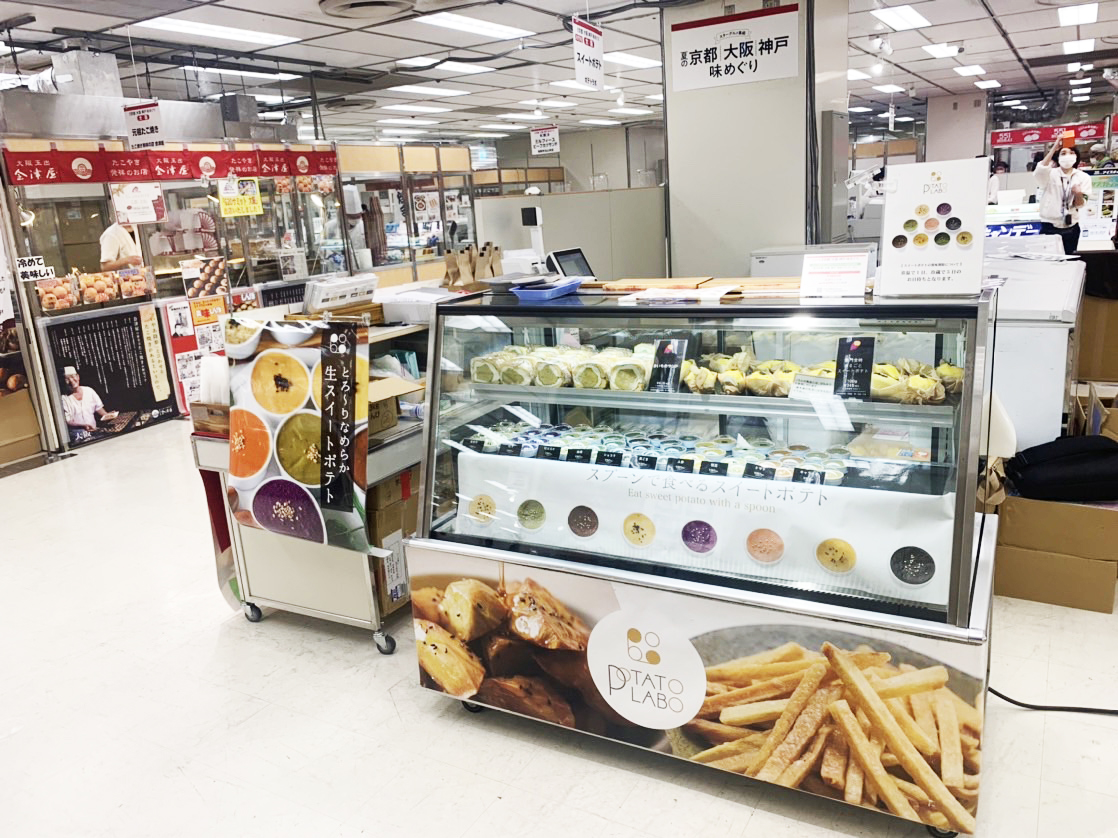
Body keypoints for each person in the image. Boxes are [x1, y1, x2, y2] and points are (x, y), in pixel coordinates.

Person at [1033, 140, 1092, 255]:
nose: (1067, 156)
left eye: (1071, 153)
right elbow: (1040, 170)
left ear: (1076, 157)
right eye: (1063, 153)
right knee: (1048, 259)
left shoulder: (1083, 177)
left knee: (1069, 259)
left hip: (1071, 226)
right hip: (1049, 225)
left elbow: (1080, 204)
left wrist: (1078, 194)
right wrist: (1054, 147)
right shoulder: (1050, 174)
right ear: (1058, 157)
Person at [61, 366, 116, 443]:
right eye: (67, 379)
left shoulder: (89, 391)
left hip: (94, 432)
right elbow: (67, 420)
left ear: (78, 377)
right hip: (77, 435)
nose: (71, 380)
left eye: (73, 377)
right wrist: (83, 425)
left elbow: (99, 409)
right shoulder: (64, 398)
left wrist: (108, 415)